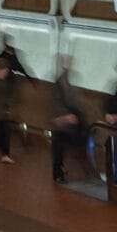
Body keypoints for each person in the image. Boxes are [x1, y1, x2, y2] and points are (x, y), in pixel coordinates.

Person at [50, 55, 86, 184]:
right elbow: (56, 103)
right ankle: (58, 174)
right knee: (59, 148)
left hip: (67, 121)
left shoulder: (65, 81)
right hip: (63, 122)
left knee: (60, 148)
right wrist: (64, 118)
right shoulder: (60, 82)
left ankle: (59, 172)